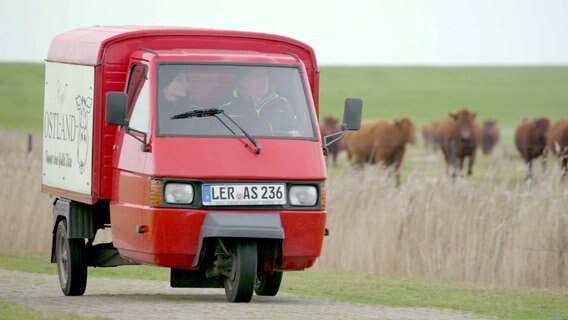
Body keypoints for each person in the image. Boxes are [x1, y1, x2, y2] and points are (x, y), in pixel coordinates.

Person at [220, 67, 301, 136]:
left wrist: (295, 133)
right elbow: (219, 140)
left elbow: (295, 130)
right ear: (242, 81)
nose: (263, 80)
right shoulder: (226, 109)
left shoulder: (282, 104)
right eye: (257, 75)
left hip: (277, 152)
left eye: (265, 75)